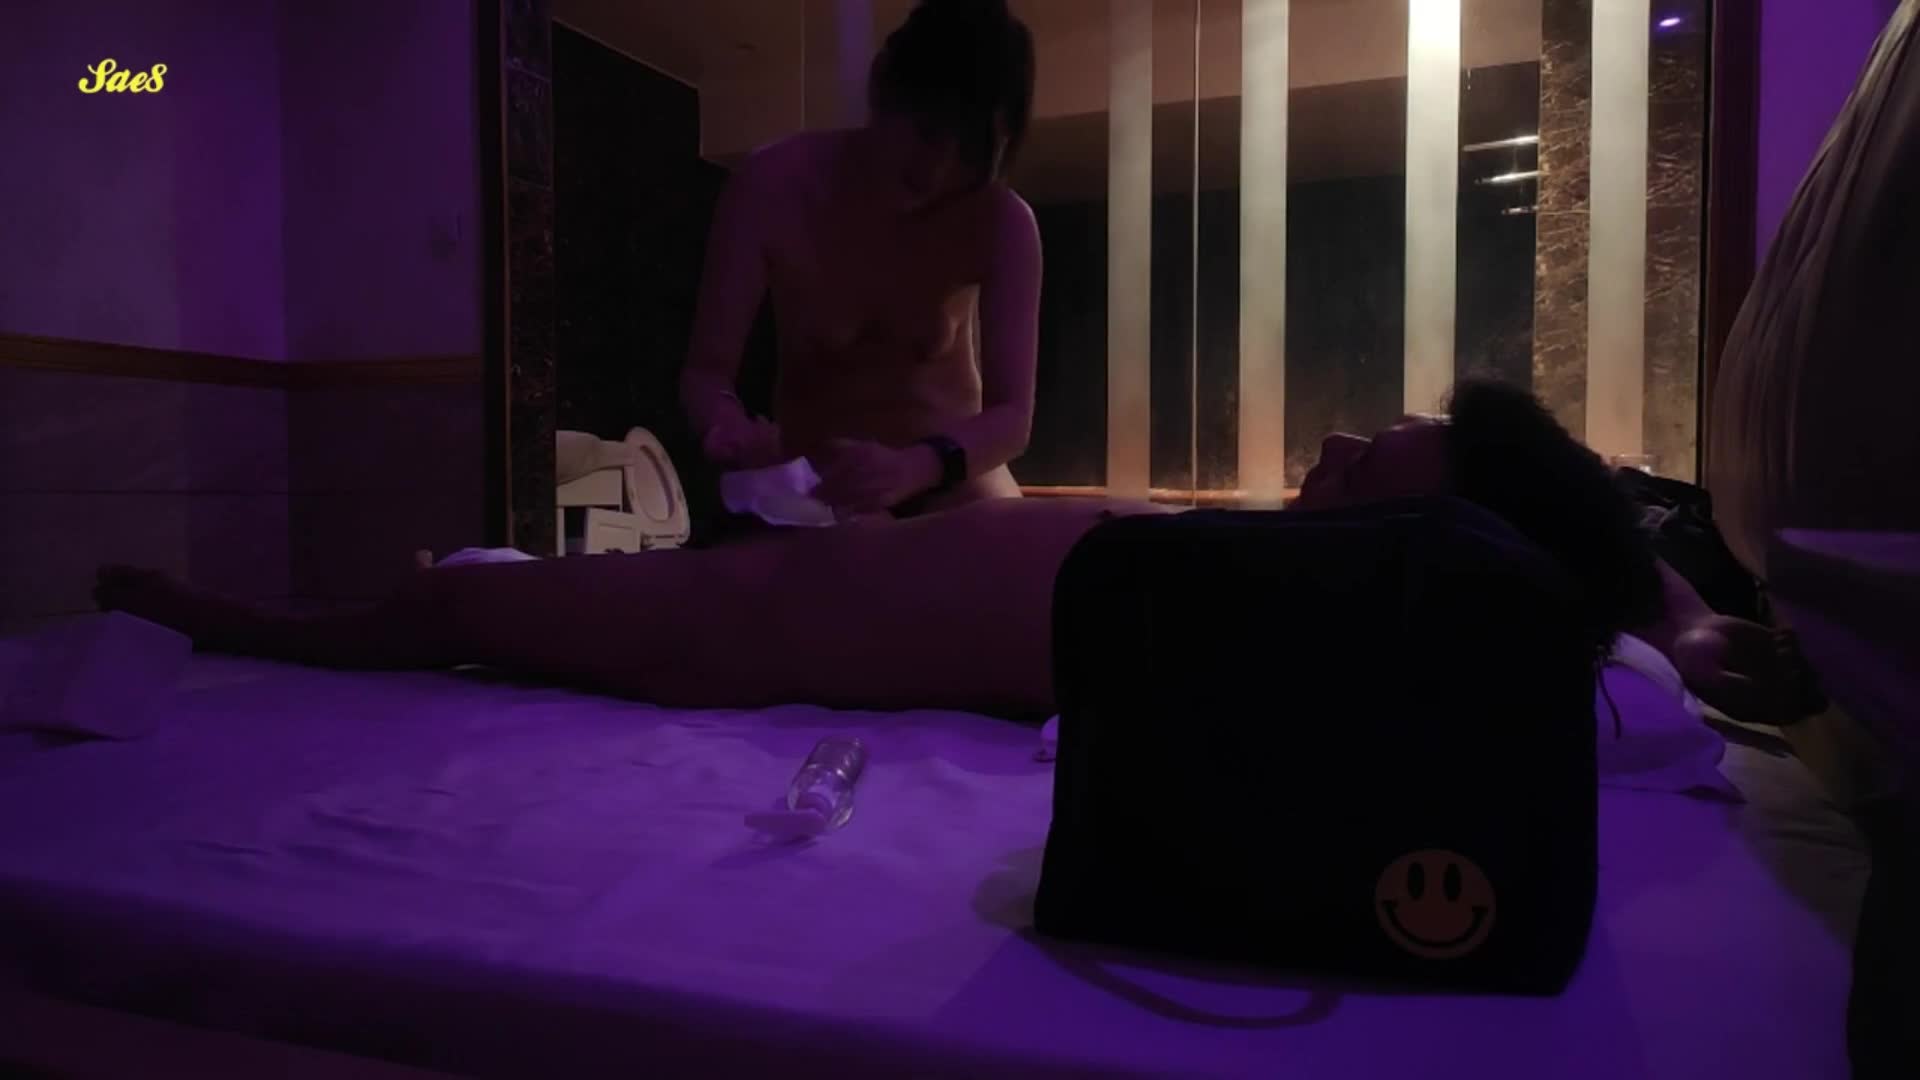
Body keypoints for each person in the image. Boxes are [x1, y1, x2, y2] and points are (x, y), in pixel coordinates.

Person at [93, 380, 1799, 724]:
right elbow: (1614, 532)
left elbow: (1583, 585)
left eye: (1362, 460)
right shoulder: (1340, 565)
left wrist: (1685, 641)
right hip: (806, 588)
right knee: (481, 599)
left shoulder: (1392, 602)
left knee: (473, 611)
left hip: (768, 627)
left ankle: (245, 625)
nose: (1330, 449)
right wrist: (1681, 615)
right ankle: (274, 618)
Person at [680, 0, 1040, 521]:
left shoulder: (1001, 221)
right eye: (928, 132)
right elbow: (705, 371)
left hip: (951, 480)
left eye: (969, 152)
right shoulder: (772, 187)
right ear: (881, 89)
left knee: (1054, 552)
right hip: (822, 491)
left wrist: (918, 466)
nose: (936, 171)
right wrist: (725, 424)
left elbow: (1012, 417)